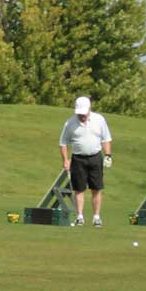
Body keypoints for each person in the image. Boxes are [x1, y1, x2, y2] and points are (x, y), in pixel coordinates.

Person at [60, 94, 113, 225]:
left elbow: (106, 139)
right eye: (79, 113)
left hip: (95, 157)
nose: (81, 116)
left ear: (89, 109)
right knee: (79, 189)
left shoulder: (99, 119)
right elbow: (63, 143)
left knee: (96, 188)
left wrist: (108, 155)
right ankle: (80, 217)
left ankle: (96, 217)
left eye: (84, 113)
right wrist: (65, 160)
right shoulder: (70, 123)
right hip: (78, 159)